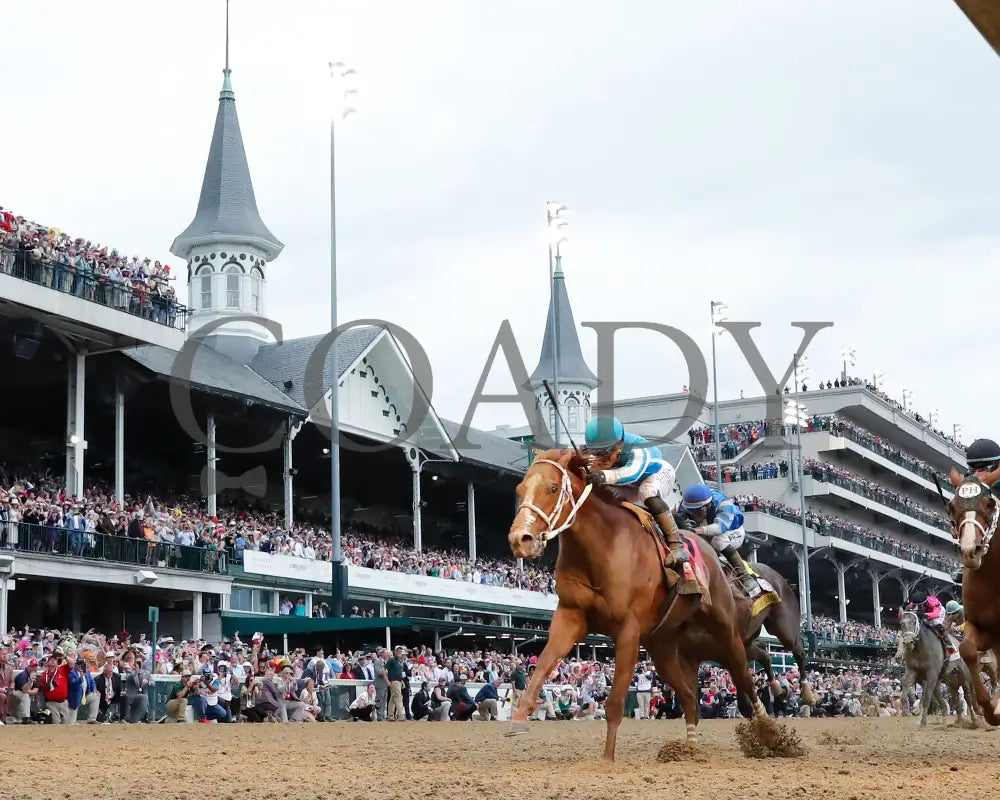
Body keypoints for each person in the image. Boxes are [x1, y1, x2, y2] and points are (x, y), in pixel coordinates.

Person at [583, 416, 698, 593]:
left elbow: (632, 473)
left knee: (647, 492)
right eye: (596, 453)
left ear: (619, 445)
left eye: (605, 453)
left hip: (654, 474)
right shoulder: (602, 450)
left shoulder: (638, 448)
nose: (601, 458)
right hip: (628, 483)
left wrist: (604, 475)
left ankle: (677, 545)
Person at [675, 483, 760, 596]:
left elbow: (719, 528)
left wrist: (695, 531)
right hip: (707, 528)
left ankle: (745, 576)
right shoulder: (689, 502)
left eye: (697, 511)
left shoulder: (724, 504)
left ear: (707, 506)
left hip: (732, 530)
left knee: (718, 541)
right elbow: (678, 517)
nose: (693, 514)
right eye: (691, 511)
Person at [949, 437, 1000, 582]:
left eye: (984, 468)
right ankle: (966, 562)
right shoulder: (969, 480)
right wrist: (954, 526)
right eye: (974, 468)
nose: (977, 473)